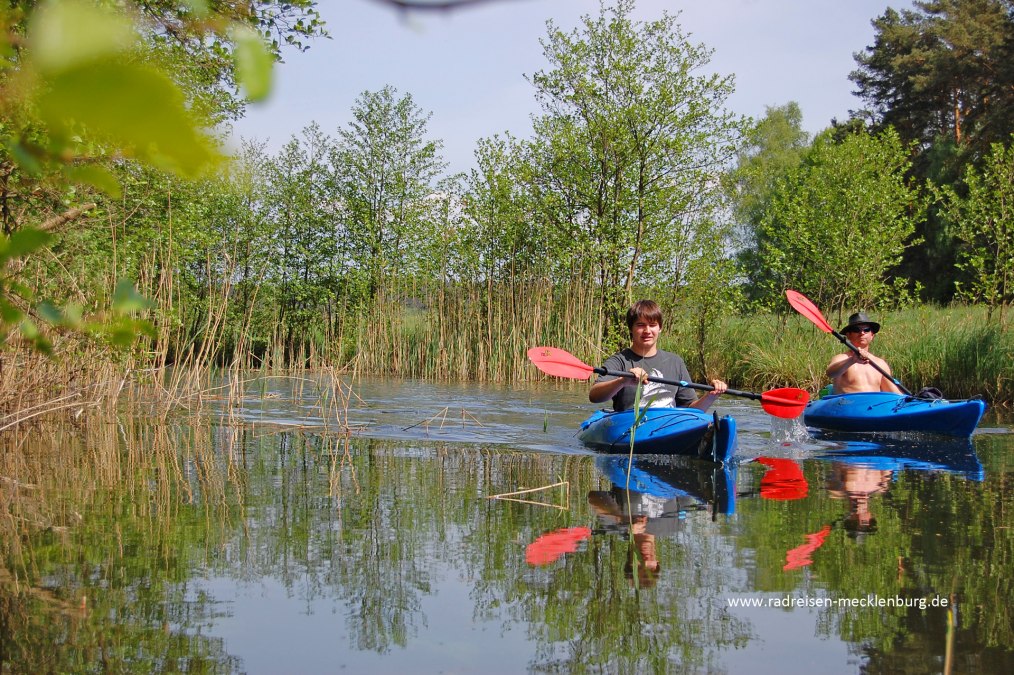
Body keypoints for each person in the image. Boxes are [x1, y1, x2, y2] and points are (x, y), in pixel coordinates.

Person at [589, 299, 727, 412]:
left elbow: (691, 409)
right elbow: (594, 396)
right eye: (641, 325)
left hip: (667, 426)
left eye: (652, 325)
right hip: (630, 427)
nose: (647, 331)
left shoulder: (675, 362)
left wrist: (711, 396)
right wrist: (622, 381)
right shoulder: (619, 361)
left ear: (659, 328)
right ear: (631, 329)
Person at [825, 311, 903, 394]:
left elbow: (893, 392)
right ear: (848, 335)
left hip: (874, 405)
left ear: (872, 335)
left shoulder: (880, 363)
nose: (862, 333)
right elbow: (831, 373)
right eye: (856, 330)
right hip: (848, 404)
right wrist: (852, 360)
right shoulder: (841, 358)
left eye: (866, 330)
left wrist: (910, 401)